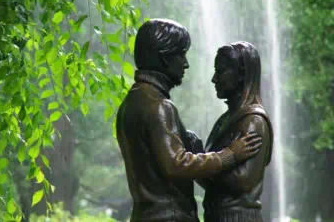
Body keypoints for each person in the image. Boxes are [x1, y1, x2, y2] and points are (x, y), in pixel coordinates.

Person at [116, 19, 262, 222]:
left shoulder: (130, 103)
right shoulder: (159, 106)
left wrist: (189, 144)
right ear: (165, 57)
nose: (186, 63)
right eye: (181, 54)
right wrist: (229, 155)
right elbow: (177, 165)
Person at [201, 42, 274, 222]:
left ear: (241, 75)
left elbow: (243, 180)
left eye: (220, 71)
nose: (214, 79)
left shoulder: (254, 121)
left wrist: (201, 162)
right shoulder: (224, 120)